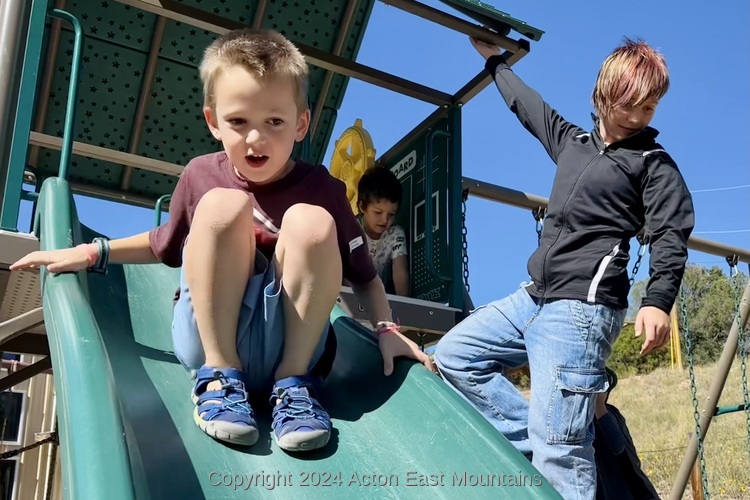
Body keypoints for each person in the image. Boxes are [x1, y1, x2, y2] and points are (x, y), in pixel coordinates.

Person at [11, 28, 432, 452]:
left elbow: (364, 277)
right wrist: (92, 251)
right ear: (214, 121)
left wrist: (385, 328)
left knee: (311, 222)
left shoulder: (322, 189)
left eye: (274, 122)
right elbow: (165, 243)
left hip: (289, 343)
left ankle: (294, 386)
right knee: (222, 206)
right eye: (238, 121)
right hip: (212, 335)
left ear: (301, 124)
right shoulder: (201, 176)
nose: (255, 138)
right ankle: (219, 375)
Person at [434, 36, 694, 499]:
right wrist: (495, 61)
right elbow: (528, 107)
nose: (636, 117)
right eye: (628, 104)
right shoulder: (573, 143)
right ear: (604, 93)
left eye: (649, 108)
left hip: (581, 312)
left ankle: (560, 449)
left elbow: (670, 234)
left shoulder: (653, 165)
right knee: (456, 357)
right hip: (531, 298)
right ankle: (546, 443)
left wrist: (657, 301)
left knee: (562, 453)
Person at [356, 166, 410, 296]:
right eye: (378, 212)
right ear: (362, 206)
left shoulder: (395, 235)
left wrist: (405, 306)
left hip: (380, 301)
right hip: (351, 296)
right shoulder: (351, 228)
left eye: (391, 214)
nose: (385, 220)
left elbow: (400, 273)